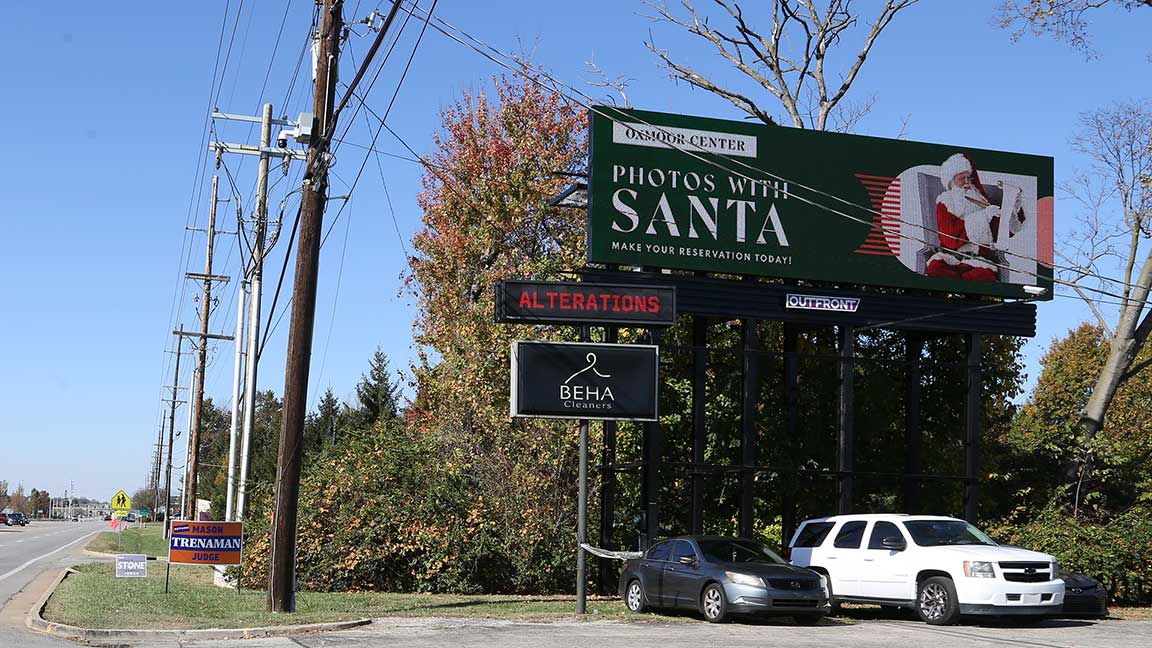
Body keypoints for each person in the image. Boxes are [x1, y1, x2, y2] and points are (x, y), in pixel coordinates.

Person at [925, 153, 1023, 281]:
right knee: (937, 272)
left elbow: (999, 234)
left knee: (983, 277)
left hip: (978, 260)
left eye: (969, 178)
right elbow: (950, 238)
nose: (967, 183)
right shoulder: (945, 201)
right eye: (962, 178)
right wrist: (984, 216)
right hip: (949, 258)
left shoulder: (980, 200)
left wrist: (1009, 213)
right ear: (951, 180)